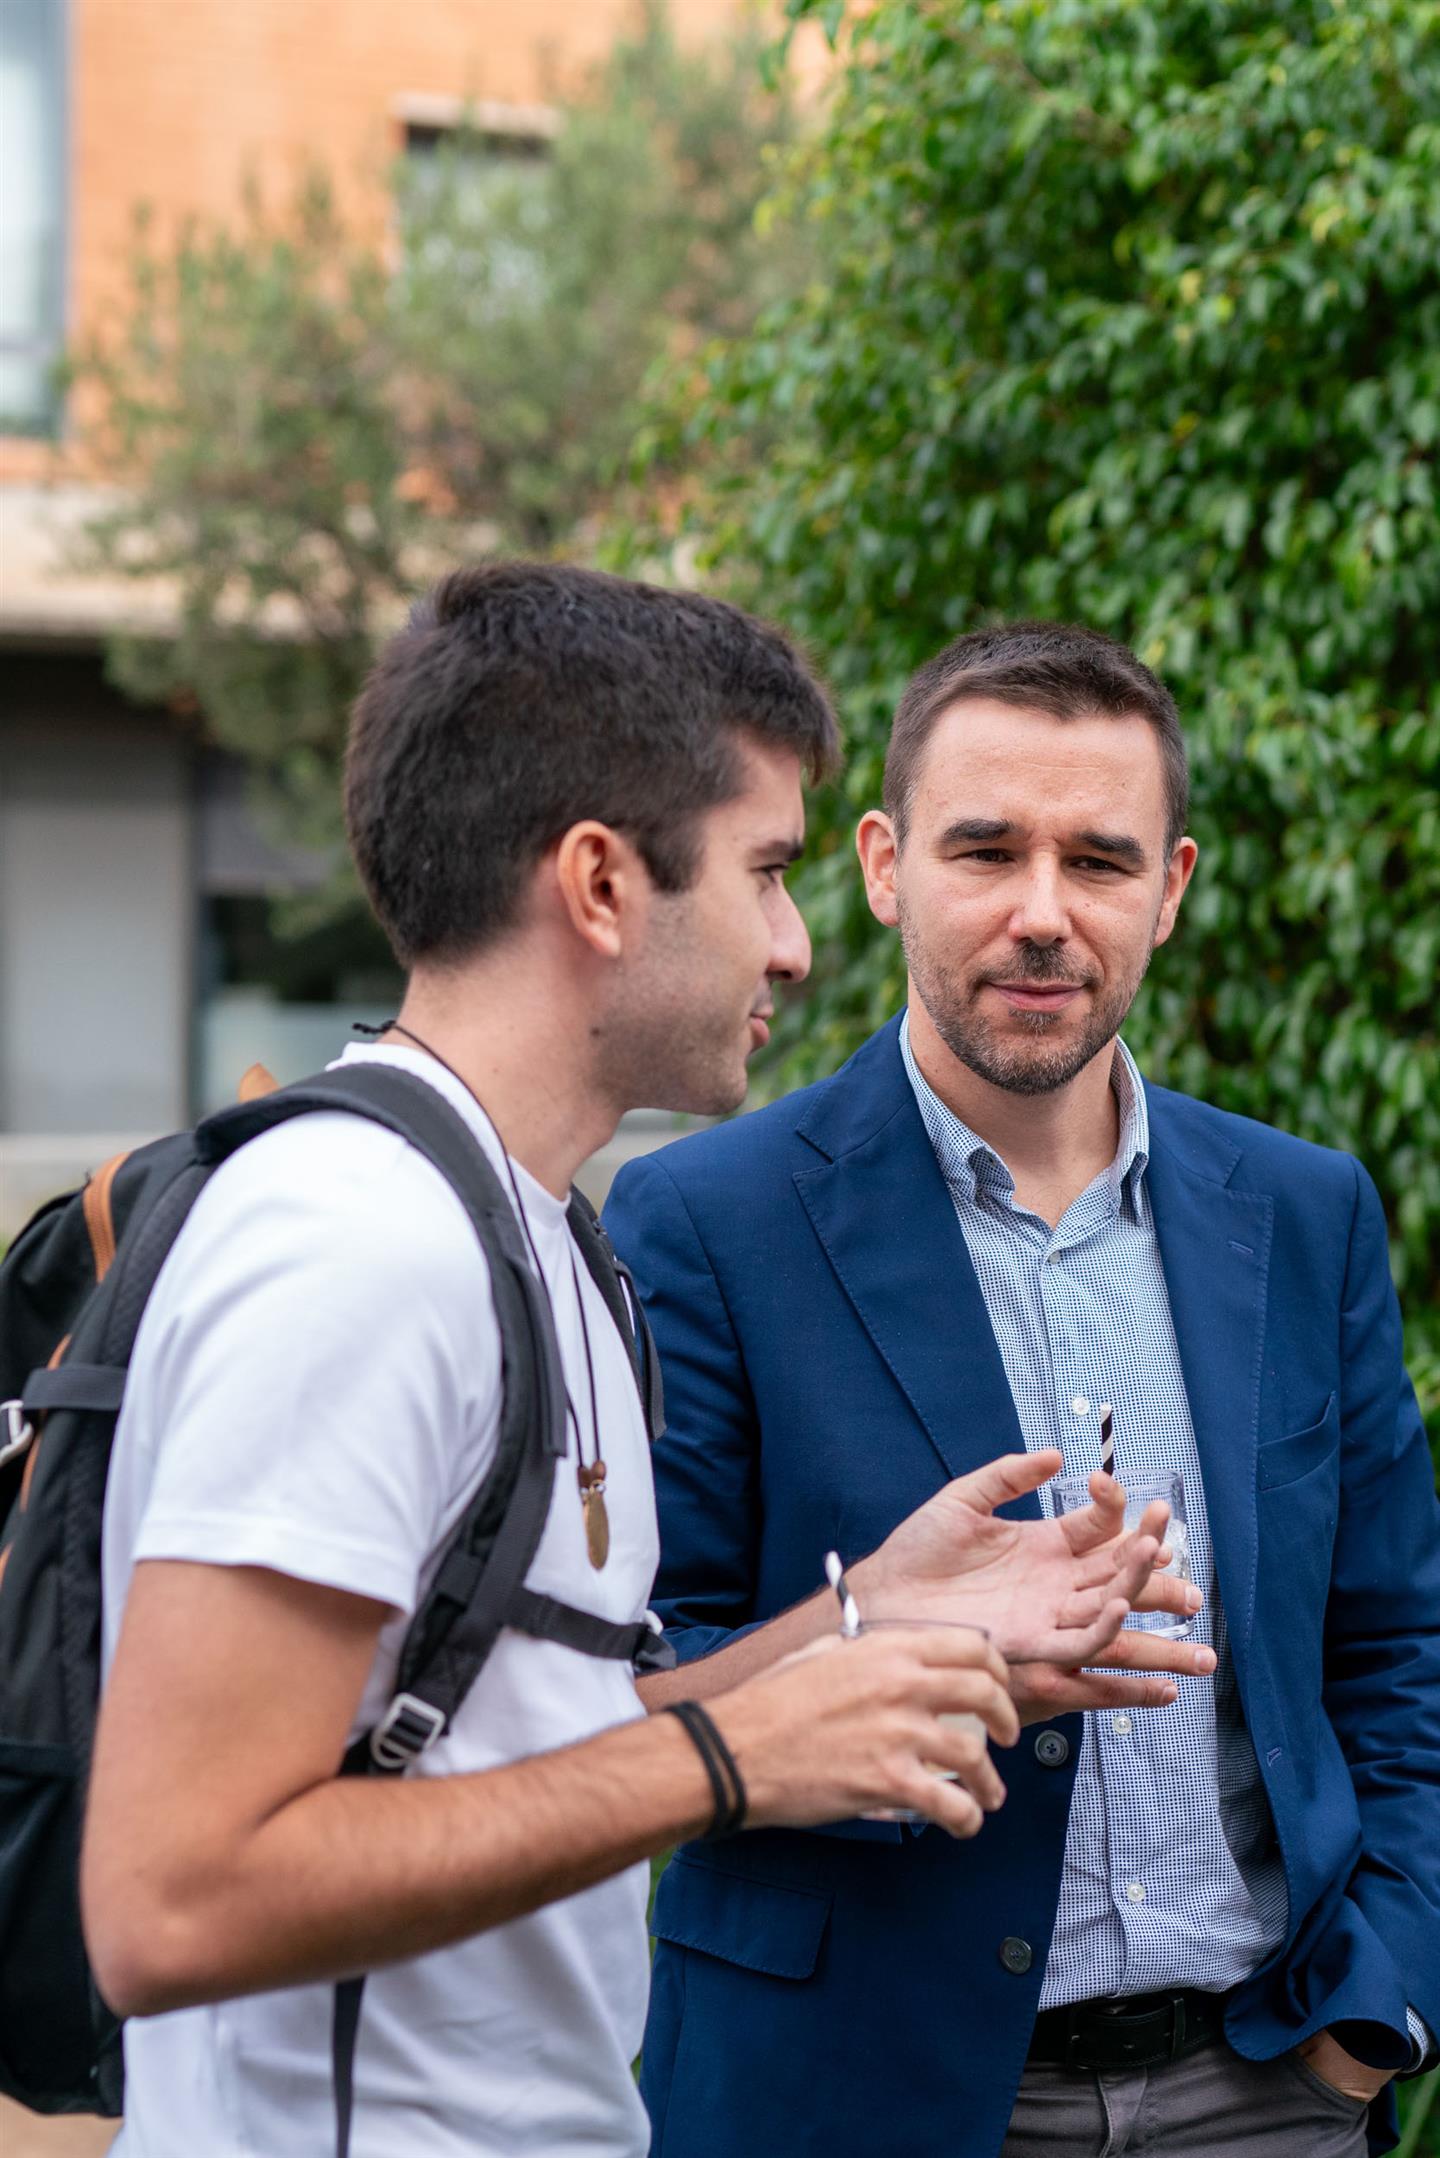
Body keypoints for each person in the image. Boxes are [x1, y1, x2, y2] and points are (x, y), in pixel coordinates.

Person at [81, 570, 1177, 2158]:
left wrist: (868, 1616)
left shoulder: (540, 1241)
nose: (798, 945)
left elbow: (540, 1746)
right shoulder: (359, 1246)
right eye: (768, 871)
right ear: (601, 882)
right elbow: (172, 1898)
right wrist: (733, 1761)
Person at [606, 620, 1440, 2158]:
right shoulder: (704, 1222)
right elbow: (634, 1679)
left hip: (1268, 2086)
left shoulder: (1305, 1212)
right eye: (985, 849)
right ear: (883, 864)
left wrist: (1373, 2018)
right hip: (859, 2091)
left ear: (1171, 889)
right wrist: (914, 1660)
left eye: (1100, 861)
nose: (1042, 914)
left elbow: (1394, 1647)